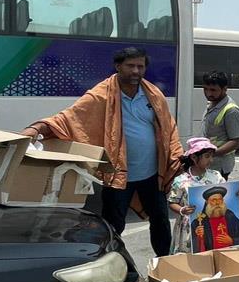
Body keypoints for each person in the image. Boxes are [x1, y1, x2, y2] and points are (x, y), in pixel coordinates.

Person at [21, 47, 183, 256]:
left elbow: (169, 128)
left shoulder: (153, 94)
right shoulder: (102, 94)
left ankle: (164, 264)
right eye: (130, 66)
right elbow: (69, 118)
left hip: (152, 175)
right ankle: (113, 266)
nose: (136, 71)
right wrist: (36, 129)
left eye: (140, 66)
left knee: (161, 222)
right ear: (118, 66)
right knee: (113, 226)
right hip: (118, 177)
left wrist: (178, 156)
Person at [168, 138, 227, 254]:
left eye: (211, 156)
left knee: (211, 253)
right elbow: (172, 202)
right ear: (194, 158)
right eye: (207, 156)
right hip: (189, 227)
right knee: (190, 257)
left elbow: (227, 193)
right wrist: (182, 210)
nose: (210, 160)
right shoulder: (181, 181)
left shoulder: (216, 176)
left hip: (212, 225)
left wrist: (237, 193)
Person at [201, 71, 239, 180]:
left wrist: (210, 154)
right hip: (208, 163)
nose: (208, 93)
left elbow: (235, 141)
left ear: (224, 89)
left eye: (213, 90)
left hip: (219, 166)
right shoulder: (212, 102)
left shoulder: (231, 110)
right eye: (205, 89)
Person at [191, 185, 239, 252]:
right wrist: (198, 236)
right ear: (207, 202)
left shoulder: (230, 216)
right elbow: (192, 244)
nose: (217, 203)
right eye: (214, 200)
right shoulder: (199, 221)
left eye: (220, 199)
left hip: (230, 253)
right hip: (210, 256)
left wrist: (232, 241)